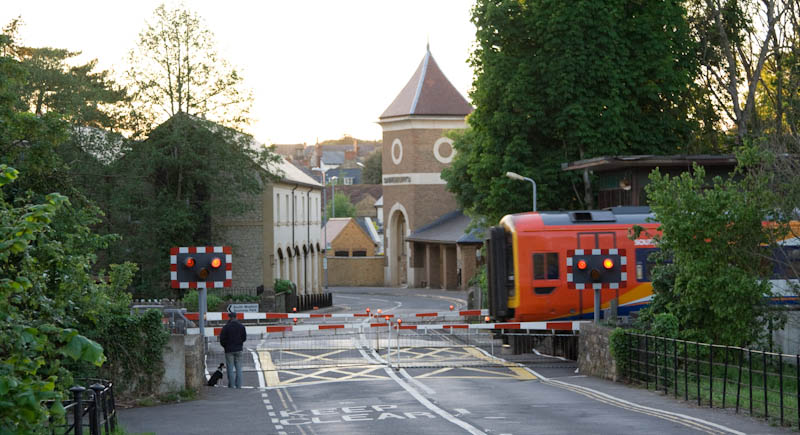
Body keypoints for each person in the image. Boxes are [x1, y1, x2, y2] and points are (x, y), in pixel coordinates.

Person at [219, 311, 246, 388]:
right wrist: (240, 344)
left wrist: (225, 346)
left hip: (229, 350)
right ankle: (239, 385)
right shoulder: (241, 326)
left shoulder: (226, 327)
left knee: (230, 368)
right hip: (239, 349)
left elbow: (222, 339)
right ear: (236, 317)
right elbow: (244, 338)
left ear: (229, 317)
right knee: (239, 368)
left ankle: (231, 385)